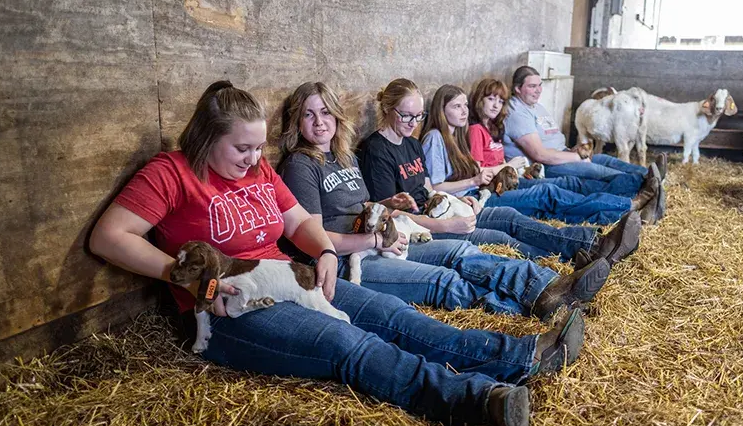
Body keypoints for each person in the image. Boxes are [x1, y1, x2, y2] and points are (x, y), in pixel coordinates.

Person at [88, 80, 591, 426]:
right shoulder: (171, 173)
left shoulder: (259, 170)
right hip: (231, 308)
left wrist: (325, 250)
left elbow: (295, 221)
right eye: (240, 148)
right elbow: (110, 236)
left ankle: (518, 356)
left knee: (393, 314)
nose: (251, 158)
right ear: (204, 138)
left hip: (292, 275)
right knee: (347, 341)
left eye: (257, 147)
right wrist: (187, 280)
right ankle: (471, 400)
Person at [278, 81, 615, 319]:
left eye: (325, 113)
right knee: (447, 280)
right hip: (358, 259)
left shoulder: (346, 156)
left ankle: (552, 288)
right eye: (309, 115)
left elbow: (370, 207)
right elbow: (315, 239)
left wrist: (390, 211)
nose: (320, 122)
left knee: (462, 250)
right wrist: (376, 238)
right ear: (297, 119)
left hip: (391, 235)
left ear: (338, 117)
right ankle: (534, 309)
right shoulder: (301, 165)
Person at [357, 78, 639, 264]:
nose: (413, 121)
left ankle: (591, 244)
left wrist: (459, 201)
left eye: (418, 115)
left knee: (513, 216)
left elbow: (429, 188)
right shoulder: (376, 150)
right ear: (387, 108)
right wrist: (447, 223)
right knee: (504, 237)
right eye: (406, 115)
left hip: (443, 208)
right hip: (423, 226)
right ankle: (567, 261)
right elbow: (390, 214)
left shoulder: (411, 142)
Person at [421, 83, 659, 226]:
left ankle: (629, 199)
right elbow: (435, 188)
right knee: (551, 191)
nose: (464, 111)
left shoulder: (459, 136)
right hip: (474, 199)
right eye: (456, 106)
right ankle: (630, 200)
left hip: (484, 189)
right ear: (441, 110)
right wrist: (476, 179)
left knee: (552, 200)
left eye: (464, 105)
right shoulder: (435, 138)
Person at [504, 65, 667, 217]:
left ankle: (650, 176)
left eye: (540, 85)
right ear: (518, 88)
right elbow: (540, 154)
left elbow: (553, 141)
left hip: (563, 154)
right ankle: (646, 186)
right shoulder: (517, 113)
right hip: (546, 166)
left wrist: (575, 151)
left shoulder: (536, 106)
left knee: (606, 159)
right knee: (600, 172)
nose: (538, 90)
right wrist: (576, 158)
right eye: (532, 86)